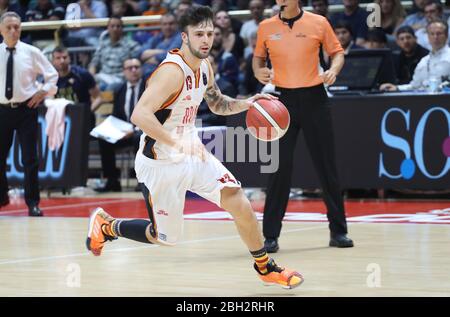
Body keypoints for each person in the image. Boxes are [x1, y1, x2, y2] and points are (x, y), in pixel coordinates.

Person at [86, 5, 304, 289]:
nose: (206, 40)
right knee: (162, 237)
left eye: (210, 33)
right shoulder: (171, 72)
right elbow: (139, 115)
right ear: (184, 37)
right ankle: (107, 225)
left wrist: (247, 104)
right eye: (199, 34)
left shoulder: (204, 65)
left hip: (192, 149)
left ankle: (265, 268)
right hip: (160, 162)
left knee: (238, 201)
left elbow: (216, 102)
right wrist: (175, 142)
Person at [253, 0, 353, 252]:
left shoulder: (318, 22)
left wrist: (334, 70)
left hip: (315, 99)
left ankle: (338, 232)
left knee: (326, 166)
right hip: (283, 101)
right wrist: (259, 72)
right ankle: (270, 236)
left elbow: (338, 52)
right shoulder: (266, 27)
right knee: (279, 169)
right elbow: (258, 60)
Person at [0, 11, 58, 215]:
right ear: (1, 29)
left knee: (30, 159)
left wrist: (43, 91)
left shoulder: (31, 52)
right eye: (9, 27)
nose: (13, 31)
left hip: (26, 109)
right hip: (2, 110)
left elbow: (52, 75)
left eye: (17, 27)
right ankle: (2, 197)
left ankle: (33, 203)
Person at [96, 58, 145, 192]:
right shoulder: (120, 89)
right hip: (124, 132)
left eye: (137, 67)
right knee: (103, 139)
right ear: (124, 72)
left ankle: (142, 181)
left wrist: (134, 130)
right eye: (130, 68)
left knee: (138, 138)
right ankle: (112, 181)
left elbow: (152, 114)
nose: (134, 70)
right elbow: (116, 116)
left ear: (141, 69)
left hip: (144, 131)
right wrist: (114, 130)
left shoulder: (148, 88)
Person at [380, 19, 450, 91]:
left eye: (439, 33)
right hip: (425, 100)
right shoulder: (424, 61)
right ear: (428, 37)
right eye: (432, 34)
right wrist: (397, 88)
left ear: (446, 35)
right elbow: (415, 86)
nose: (435, 37)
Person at [52, 46, 102, 131]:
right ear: (53, 61)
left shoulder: (83, 74)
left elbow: (99, 98)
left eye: (64, 57)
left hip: (84, 120)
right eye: (58, 58)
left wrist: (86, 112)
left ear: (69, 58)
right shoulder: (50, 78)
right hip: (61, 121)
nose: (62, 61)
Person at [89, 16, 141, 91]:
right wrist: (91, 78)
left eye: (118, 26)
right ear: (108, 28)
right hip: (102, 77)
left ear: (122, 29)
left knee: (107, 88)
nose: (115, 29)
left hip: (119, 79)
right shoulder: (102, 44)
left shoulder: (130, 45)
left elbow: (141, 56)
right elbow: (93, 63)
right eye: (112, 26)